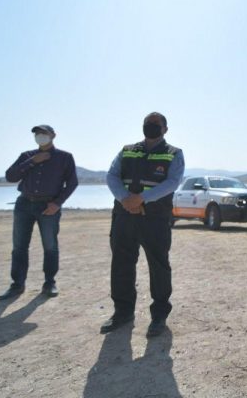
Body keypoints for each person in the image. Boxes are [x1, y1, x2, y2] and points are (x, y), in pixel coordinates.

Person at [102, 112, 185, 337]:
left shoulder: (174, 153)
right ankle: (122, 312)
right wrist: (125, 199)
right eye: (147, 124)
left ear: (165, 129)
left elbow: (172, 182)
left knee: (159, 266)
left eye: (156, 124)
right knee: (121, 264)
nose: (151, 127)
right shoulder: (127, 150)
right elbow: (112, 176)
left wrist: (141, 199)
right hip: (124, 215)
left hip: (155, 218)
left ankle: (159, 316)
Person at [0, 124, 78, 300]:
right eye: (37, 134)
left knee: (50, 246)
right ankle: (17, 285)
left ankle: (49, 283)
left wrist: (57, 203)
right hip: (24, 204)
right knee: (19, 246)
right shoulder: (27, 156)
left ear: (53, 135)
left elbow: (72, 183)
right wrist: (33, 161)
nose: (40, 136)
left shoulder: (64, 157)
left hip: (48, 206)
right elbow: (11, 176)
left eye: (44, 133)